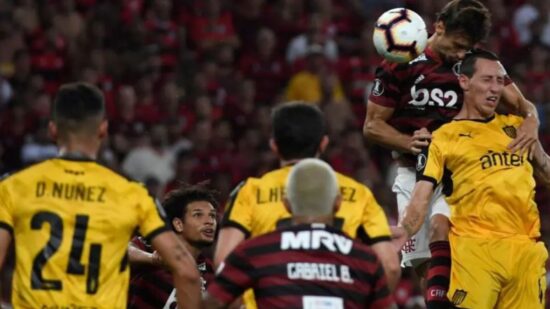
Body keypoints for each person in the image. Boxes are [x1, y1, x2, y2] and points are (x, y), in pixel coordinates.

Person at [363, 0, 539, 307]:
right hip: (412, 171)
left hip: (461, 173)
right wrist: (409, 143)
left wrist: (533, 124)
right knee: (424, 265)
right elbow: (373, 126)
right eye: (457, 46)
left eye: (467, 48)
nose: (461, 54)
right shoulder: (400, 61)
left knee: (453, 247)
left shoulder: (477, 65)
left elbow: (524, 107)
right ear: (439, 27)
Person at [0, 82, 200, 309]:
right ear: (103, 130)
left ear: (53, 130)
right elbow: (187, 271)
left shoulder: (14, 186)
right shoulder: (132, 194)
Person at [394, 49, 548, 308]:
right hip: (475, 249)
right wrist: (401, 234)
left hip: (526, 249)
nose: (495, 88)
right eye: (487, 80)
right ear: (464, 82)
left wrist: (533, 128)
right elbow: (421, 197)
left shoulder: (516, 127)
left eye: (500, 81)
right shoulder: (443, 137)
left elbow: (545, 170)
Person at [215, 102, 400, 308]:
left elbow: (224, 261)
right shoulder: (358, 193)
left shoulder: (250, 191)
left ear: (274, 145)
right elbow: (390, 266)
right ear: (323, 144)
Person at [205, 158, 396, 309]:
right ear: (338, 203)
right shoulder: (366, 260)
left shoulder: (255, 252)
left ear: (286, 204)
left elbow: (211, 303)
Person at [128, 184, 217, 308]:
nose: (210, 221)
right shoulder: (153, 246)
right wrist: (152, 259)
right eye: (198, 215)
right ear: (178, 224)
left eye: (212, 215)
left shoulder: (210, 271)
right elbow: (124, 251)